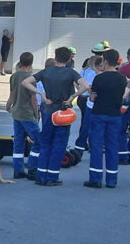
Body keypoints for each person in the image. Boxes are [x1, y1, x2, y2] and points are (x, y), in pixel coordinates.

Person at [20, 47, 89, 186]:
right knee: (59, 145)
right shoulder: (71, 73)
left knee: (45, 143)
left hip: (48, 109)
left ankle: (41, 176)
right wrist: (72, 97)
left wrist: (41, 94)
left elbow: (25, 82)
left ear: (55, 57)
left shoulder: (46, 72)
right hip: (63, 111)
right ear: (69, 59)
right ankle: (52, 176)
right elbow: (86, 86)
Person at [85, 49, 127, 188]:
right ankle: (111, 179)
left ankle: (96, 178)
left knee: (96, 146)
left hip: (99, 113)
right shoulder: (122, 78)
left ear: (106, 61)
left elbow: (92, 97)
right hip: (115, 115)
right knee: (112, 146)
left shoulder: (99, 78)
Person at [7, 52, 40, 180]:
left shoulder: (14, 76)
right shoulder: (31, 79)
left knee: (19, 142)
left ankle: (18, 170)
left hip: (16, 113)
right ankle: (32, 168)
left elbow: (12, 94)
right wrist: (36, 115)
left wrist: (8, 106)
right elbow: (34, 99)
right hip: (27, 114)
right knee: (38, 141)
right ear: (31, 63)